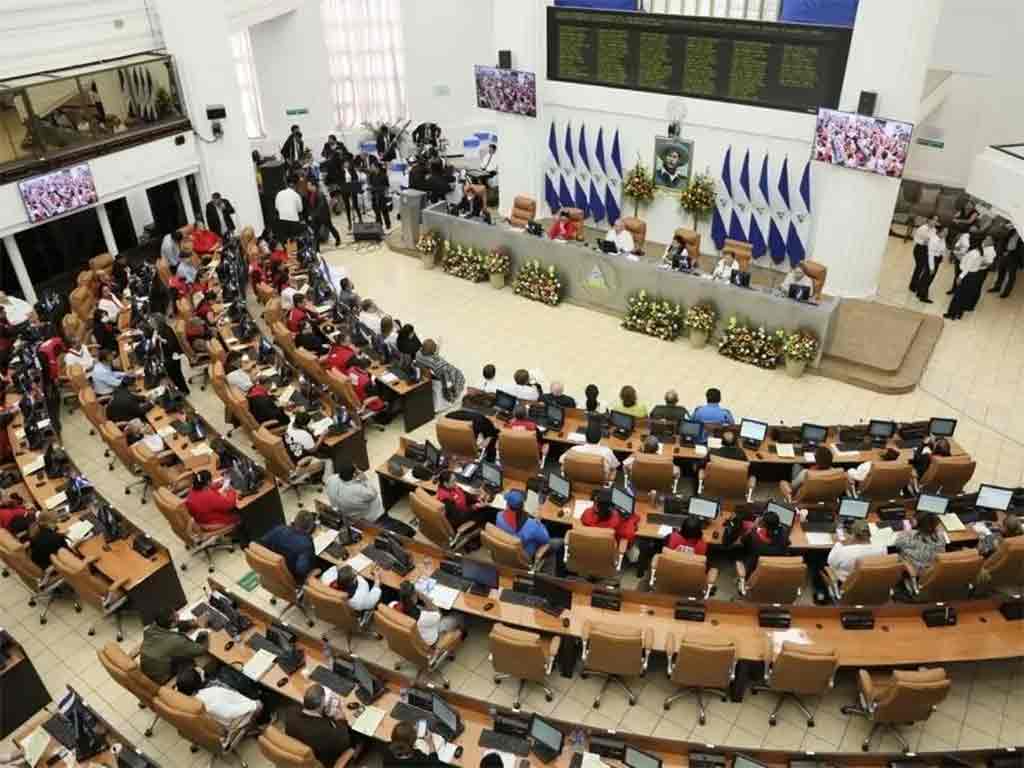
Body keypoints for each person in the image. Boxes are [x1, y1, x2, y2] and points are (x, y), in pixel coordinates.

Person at [325, 463, 416, 537]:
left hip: (350, 518)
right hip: (374, 519)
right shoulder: (357, 490)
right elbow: (373, 493)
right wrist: (365, 480)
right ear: (354, 474)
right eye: (356, 469)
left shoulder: (331, 480)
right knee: (408, 532)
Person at [494, 490, 562, 574]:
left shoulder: (499, 516)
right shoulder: (532, 526)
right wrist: (538, 522)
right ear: (523, 506)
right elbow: (546, 539)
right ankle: (558, 572)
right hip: (527, 555)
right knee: (559, 542)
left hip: (509, 552)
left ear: (507, 505)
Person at [283, 685, 352, 768]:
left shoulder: (290, 712)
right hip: (325, 759)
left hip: (301, 749)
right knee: (355, 738)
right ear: (322, 703)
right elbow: (346, 742)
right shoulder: (327, 732)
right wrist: (341, 719)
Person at [175, 667, 261, 729]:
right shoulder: (213, 693)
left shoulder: (183, 698)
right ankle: (262, 721)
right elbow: (230, 713)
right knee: (260, 703)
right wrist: (253, 704)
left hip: (216, 719)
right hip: (232, 722)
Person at [140, 609, 209, 684]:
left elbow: (173, 626)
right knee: (193, 659)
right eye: (176, 616)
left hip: (149, 667)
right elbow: (201, 650)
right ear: (172, 624)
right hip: (162, 677)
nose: (179, 616)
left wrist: (192, 623)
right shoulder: (176, 641)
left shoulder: (150, 628)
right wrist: (204, 634)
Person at [395, 581, 463, 646]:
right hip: (431, 639)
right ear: (413, 595)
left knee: (422, 608)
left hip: (418, 633)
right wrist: (423, 596)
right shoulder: (423, 617)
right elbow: (438, 613)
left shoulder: (396, 606)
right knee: (459, 616)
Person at [260, 511, 317, 582]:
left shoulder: (279, 529)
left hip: (274, 570)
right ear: (310, 528)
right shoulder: (306, 545)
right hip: (291, 579)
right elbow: (301, 571)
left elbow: (262, 543)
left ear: (295, 521)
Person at [826, 519, 886, 584]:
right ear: (870, 534)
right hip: (872, 583)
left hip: (847, 585)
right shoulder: (882, 547)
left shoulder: (843, 551)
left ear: (853, 535)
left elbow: (830, 563)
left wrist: (838, 543)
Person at [893, 511, 945, 581]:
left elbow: (897, 544)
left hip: (914, 568)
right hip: (931, 570)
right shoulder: (940, 536)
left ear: (917, 523)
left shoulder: (910, 536)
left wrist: (906, 531)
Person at [739, 509, 790, 578]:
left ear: (763, 524)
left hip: (756, 569)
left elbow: (742, 540)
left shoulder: (754, 539)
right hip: (776, 570)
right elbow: (788, 542)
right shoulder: (784, 534)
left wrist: (754, 526)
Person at [944, 236, 985, 320]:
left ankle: (951, 314)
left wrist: (960, 277)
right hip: (973, 276)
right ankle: (959, 313)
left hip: (967, 276)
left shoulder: (973, 253)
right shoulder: (979, 252)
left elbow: (967, 268)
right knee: (964, 296)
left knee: (958, 296)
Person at [416, 339, 465, 404]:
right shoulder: (435, 363)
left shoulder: (419, 353)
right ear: (431, 351)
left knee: (458, 380)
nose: (435, 349)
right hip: (447, 373)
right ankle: (451, 396)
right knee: (458, 382)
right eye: (434, 348)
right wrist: (445, 389)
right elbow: (442, 376)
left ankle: (453, 391)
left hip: (446, 370)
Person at [284, 412, 325, 476]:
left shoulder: (290, 424)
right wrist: (322, 437)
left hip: (291, 452)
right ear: (303, 426)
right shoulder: (304, 435)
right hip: (302, 459)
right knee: (326, 457)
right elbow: (313, 450)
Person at [916, 224, 948, 303]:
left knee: (926, 277)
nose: (947, 233)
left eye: (947, 232)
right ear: (939, 232)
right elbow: (930, 255)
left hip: (937, 259)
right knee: (928, 278)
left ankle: (919, 292)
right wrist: (932, 267)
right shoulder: (934, 240)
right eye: (945, 232)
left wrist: (943, 256)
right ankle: (923, 296)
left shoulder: (942, 238)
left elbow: (943, 249)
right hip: (932, 260)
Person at [989, 224, 1022, 298]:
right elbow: (998, 236)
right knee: (1001, 272)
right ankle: (997, 287)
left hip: (1014, 256)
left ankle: (1006, 292)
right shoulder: (1010, 230)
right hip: (1003, 254)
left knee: (1011, 276)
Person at [908, 217, 936, 296]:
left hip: (927, 250)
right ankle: (912, 286)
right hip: (919, 249)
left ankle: (916, 284)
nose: (935, 222)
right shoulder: (922, 228)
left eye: (936, 220)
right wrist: (923, 242)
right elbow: (915, 239)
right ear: (929, 220)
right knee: (919, 267)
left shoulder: (934, 230)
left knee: (922, 268)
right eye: (933, 220)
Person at [275, 175, 305, 241]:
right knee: (293, 241)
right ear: (295, 185)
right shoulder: (296, 195)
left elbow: (277, 208)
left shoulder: (279, 194)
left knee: (286, 241)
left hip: (281, 221)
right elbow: (300, 209)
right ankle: (293, 250)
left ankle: (288, 250)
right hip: (293, 222)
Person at [337, 158, 364, 230]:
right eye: (345, 163)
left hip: (352, 188)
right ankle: (349, 222)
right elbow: (339, 181)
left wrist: (354, 182)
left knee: (355, 204)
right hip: (345, 190)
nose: (347, 164)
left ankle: (360, 219)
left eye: (347, 162)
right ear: (343, 164)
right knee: (347, 206)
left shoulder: (352, 170)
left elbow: (356, 178)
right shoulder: (340, 171)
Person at [367, 157, 392, 230]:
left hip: (382, 196)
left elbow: (387, 186)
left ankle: (388, 224)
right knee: (376, 211)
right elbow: (371, 184)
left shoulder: (383, 175)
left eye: (372, 167)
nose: (371, 168)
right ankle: (379, 224)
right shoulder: (371, 175)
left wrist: (384, 192)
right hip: (374, 196)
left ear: (377, 167)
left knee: (384, 211)